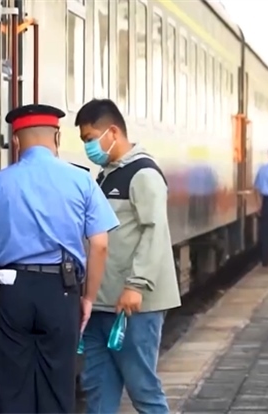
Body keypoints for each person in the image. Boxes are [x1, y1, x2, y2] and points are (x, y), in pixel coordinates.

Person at [0, 104, 118, 413]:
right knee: (57, 388)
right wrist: (88, 298)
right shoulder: (82, 181)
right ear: (57, 137)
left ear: (15, 140)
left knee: (13, 389)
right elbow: (100, 244)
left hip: (12, 292)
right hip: (62, 291)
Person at [74, 99, 182, 414]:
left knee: (143, 389)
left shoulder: (143, 174)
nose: (87, 147)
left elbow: (155, 231)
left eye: (89, 138)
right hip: (100, 304)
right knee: (98, 392)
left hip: (133, 306)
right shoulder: (106, 176)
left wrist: (137, 284)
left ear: (112, 132)